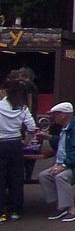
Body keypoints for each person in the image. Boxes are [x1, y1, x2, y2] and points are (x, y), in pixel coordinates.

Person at [37, 102, 75, 223]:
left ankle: (71, 210)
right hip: (68, 163)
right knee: (44, 176)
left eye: (55, 114)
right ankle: (61, 205)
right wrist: (49, 137)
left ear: (63, 115)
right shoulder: (67, 127)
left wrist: (63, 165)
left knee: (61, 176)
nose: (53, 117)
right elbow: (64, 144)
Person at [0, 79, 36, 223]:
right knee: (16, 178)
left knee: (0, 179)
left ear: (5, 91)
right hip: (15, 144)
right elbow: (32, 127)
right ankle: (16, 211)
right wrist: (25, 141)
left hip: (1, 143)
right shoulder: (22, 107)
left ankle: (1, 212)